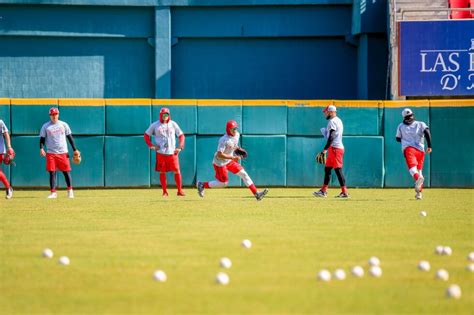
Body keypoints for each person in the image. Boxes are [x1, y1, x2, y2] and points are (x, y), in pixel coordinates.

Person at [197, 120, 268, 201]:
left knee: (244, 174)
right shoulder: (223, 140)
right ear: (228, 130)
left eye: (235, 128)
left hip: (229, 160)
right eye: (232, 129)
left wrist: (238, 149)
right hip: (220, 163)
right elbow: (219, 154)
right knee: (223, 183)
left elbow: (234, 145)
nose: (234, 131)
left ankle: (257, 194)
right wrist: (232, 158)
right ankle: (202, 184)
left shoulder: (237, 135)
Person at [39, 107, 80, 199]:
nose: (54, 116)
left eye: (55, 114)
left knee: (66, 172)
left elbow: (70, 137)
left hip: (63, 152)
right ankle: (53, 192)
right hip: (51, 153)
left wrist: (75, 149)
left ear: (58, 115)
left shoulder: (63, 124)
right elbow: (42, 139)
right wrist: (41, 148)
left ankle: (70, 191)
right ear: (50, 116)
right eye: (52, 115)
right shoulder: (46, 126)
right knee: (52, 172)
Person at [144, 107, 185, 197]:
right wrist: (151, 145)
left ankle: (179, 191)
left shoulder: (173, 124)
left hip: (172, 153)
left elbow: (181, 135)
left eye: (166, 114)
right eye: (163, 114)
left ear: (169, 115)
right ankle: (164, 192)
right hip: (161, 152)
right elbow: (146, 135)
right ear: (160, 115)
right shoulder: (155, 125)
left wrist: (180, 147)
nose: (165, 116)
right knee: (162, 171)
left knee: (177, 170)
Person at [396, 108, 432, 200]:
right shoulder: (421, 123)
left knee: (413, 171)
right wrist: (429, 146)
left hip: (409, 150)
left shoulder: (400, 126)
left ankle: (417, 179)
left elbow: (397, 138)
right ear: (413, 115)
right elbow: (427, 132)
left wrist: (406, 139)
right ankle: (419, 194)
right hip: (421, 151)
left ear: (404, 117)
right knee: (419, 172)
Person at [313, 105, 349, 198]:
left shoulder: (332, 121)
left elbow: (332, 136)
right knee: (328, 169)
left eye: (327, 112)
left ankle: (345, 192)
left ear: (331, 112)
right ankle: (323, 191)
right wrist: (326, 134)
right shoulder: (338, 120)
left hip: (335, 149)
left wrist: (325, 150)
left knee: (338, 170)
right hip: (334, 148)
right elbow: (332, 135)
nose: (325, 114)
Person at [0, 119, 14, 199]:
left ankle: (9, 188)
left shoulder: (0, 122)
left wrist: (9, 147)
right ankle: (9, 188)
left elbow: (6, 134)